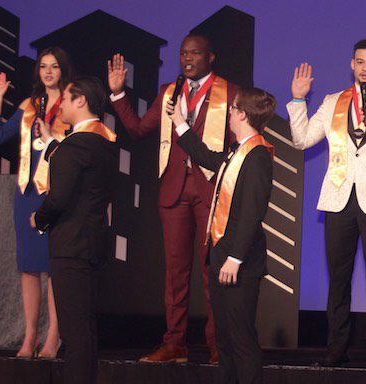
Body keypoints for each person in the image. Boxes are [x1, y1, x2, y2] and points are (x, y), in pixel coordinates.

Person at [107, 33, 239, 364]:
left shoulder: (229, 91)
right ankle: (175, 343)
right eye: (183, 53)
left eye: (195, 53)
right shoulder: (170, 92)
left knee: (213, 272)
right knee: (175, 274)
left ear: (211, 58)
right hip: (174, 190)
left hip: (210, 191)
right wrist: (118, 93)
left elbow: (243, 142)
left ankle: (218, 344)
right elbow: (138, 129)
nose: (187, 59)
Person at [287, 38, 366, 368]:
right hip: (339, 199)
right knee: (338, 280)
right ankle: (336, 347)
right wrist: (298, 99)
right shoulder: (332, 102)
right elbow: (301, 141)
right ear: (352, 64)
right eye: (360, 62)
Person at [0, 47, 73, 359]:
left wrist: (54, 133)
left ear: (63, 70)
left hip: (57, 193)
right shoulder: (30, 105)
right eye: (43, 66)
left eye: (54, 66)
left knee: (55, 268)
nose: (49, 72)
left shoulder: (72, 102)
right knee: (28, 269)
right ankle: (29, 336)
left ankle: (53, 337)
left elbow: (85, 144)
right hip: (27, 194)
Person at [171, 87, 275, 384]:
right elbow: (207, 157)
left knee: (241, 339)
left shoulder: (256, 155)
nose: (229, 113)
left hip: (238, 262)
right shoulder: (238, 150)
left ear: (242, 114)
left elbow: (252, 212)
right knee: (224, 340)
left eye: (232, 109)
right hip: (221, 256)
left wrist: (236, 257)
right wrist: (181, 123)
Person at [30, 76, 117, 384]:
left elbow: (59, 197)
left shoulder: (76, 145)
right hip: (92, 243)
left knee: (75, 331)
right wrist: (56, 142)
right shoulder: (104, 142)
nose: (61, 104)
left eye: (66, 98)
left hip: (71, 246)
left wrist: (38, 219)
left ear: (81, 101)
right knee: (86, 328)